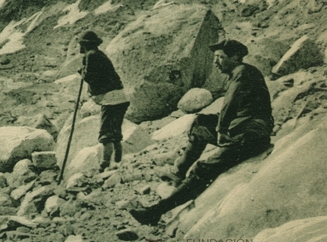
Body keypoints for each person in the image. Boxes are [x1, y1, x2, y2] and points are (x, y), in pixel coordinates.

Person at [129, 39, 274, 226]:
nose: (216, 62)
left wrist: (221, 130)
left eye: (220, 57)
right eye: (216, 57)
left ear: (236, 57)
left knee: (202, 169)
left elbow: (230, 103)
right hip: (241, 129)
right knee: (200, 124)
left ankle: (155, 212)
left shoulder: (242, 73)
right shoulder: (240, 73)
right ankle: (179, 172)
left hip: (250, 136)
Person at [78, 31, 130, 172]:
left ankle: (104, 164)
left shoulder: (91, 55)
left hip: (110, 99)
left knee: (106, 133)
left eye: (80, 44)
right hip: (121, 97)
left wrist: (82, 71)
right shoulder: (100, 54)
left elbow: (90, 77)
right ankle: (118, 161)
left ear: (84, 45)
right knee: (115, 132)